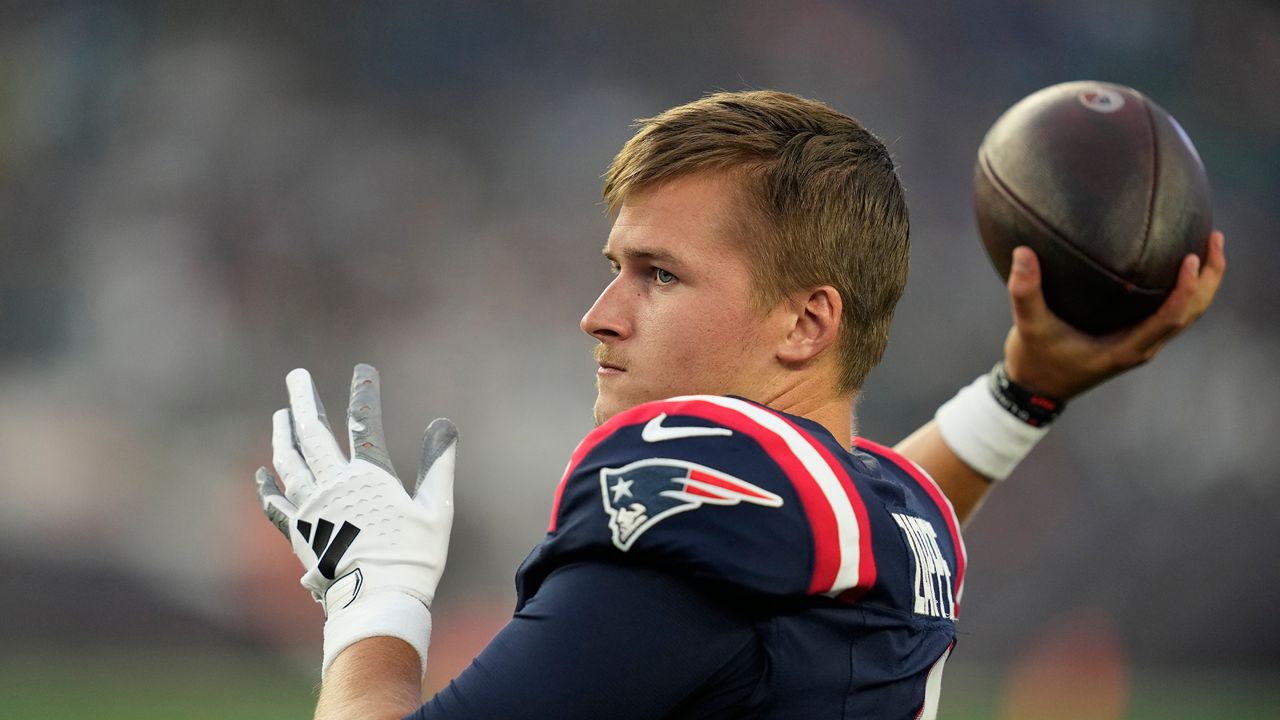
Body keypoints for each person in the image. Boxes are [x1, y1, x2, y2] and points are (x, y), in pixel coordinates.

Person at [254, 90, 1225, 719]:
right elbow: (885, 500)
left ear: (804, 324)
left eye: (658, 275)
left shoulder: (704, 515)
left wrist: (371, 598)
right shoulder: (872, 523)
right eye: (613, 268)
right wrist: (1025, 389)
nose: (599, 316)